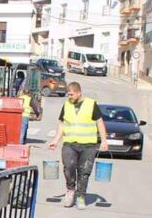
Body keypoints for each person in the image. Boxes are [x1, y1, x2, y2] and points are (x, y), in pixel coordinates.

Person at [47, 82, 109, 210]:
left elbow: (100, 122)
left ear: (79, 92)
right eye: (68, 94)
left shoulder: (91, 104)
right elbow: (62, 124)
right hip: (70, 143)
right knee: (68, 167)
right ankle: (70, 191)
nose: (69, 96)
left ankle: (81, 196)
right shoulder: (67, 105)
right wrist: (55, 140)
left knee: (84, 171)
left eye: (71, 94)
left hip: (88, 145)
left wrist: (103, 140)